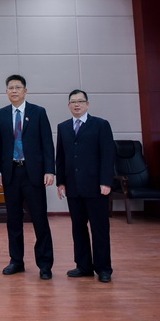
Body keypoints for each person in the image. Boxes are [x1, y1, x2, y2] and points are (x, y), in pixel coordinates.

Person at [0, 74, 55, 280]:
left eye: (18, 87)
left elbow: (47, 143)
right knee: (13, 220)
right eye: (10, 88)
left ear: (25, 91)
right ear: (6, 92)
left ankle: (45, 264)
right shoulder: (1, 114)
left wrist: (49, 170)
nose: (14, 91)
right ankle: (16, 261)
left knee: (39, 219)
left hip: (33, 173)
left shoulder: (38, 112)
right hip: (11, 173)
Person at [56, 89, 115, 283]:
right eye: (73, 102)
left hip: (96, 187)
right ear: (68, 105)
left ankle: (103, 268)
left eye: (80, 101)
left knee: (99, 228)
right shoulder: (63, 127)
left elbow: (108, 155)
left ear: (87, 104)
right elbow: (61, 157)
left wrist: (106, 181)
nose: (77, 105)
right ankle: (83, 266)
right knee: (78, 228)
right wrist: (60, 182)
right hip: (73, 186)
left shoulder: (100, 125)